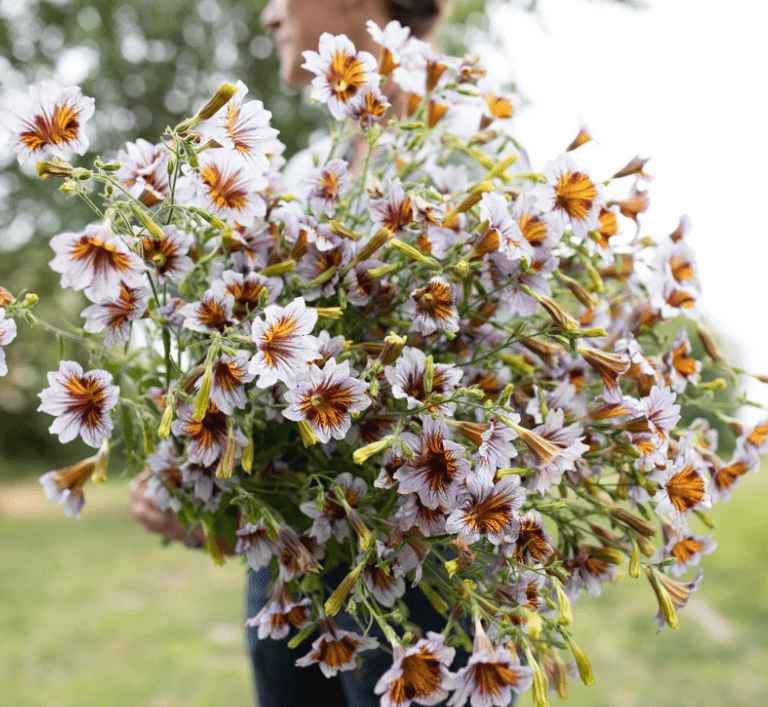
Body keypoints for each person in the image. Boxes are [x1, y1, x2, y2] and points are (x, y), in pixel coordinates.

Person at [129, 2, 515, 706]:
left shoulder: (471, 156)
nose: (268, 13)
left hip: (431, 583)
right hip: (300, 581)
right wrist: (211, 501)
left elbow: (510, 403)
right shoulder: (311, 169)